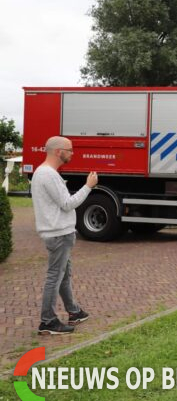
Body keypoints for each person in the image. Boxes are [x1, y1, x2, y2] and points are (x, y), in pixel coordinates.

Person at [31, 136, 98, 335]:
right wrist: (88, 186)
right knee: (55, 276)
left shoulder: (45, 173)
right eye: (70, 149)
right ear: (58, 152)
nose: (73, 153)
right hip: (59, 234)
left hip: (60, 233)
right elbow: (67, 203)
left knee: (63, 275)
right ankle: (48, 321)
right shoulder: (48, 174)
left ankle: (74, 312)